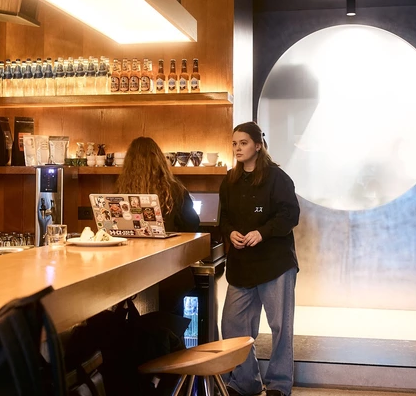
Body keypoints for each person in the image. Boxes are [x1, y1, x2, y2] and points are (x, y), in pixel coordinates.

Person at [219, 122, 300, 396]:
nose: (237, 148)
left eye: (243, 143)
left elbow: (290, 215)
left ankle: (279, 385)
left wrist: (262, 232)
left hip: (275, 263)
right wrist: (230, 232)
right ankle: (246, 382)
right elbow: (224, 218)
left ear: (257, 145)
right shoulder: (229, 180)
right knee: (233, 324)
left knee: (280, 326)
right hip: (242, 264)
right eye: (234, 144)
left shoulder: (278, 178)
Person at [115, 136, 200, 315]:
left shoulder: (120, 193)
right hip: (170, 272)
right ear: (159, 160)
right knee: (169, 322)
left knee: (136, 323)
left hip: (131, 273)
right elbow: (192, 225)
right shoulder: (175, 190)